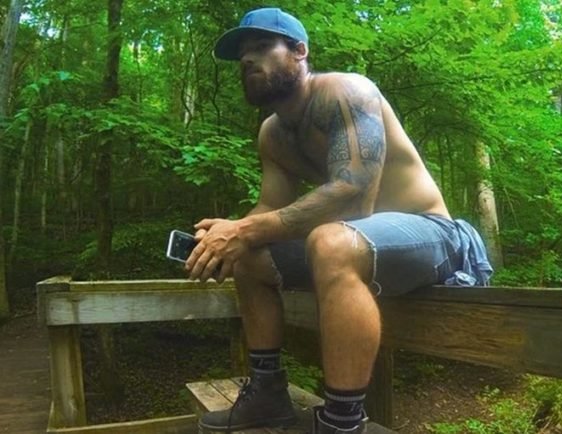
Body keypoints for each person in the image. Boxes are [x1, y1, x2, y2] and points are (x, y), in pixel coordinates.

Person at [186, 7, 491, 434]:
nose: (248, 59)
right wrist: (226, 236)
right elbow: (270, 206)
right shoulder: (272, 134)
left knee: (330, 241)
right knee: (248, 257)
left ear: (300, 51)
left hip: (430, 232)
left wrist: (244, 230)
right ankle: (268, 393)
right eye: (242, 54)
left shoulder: (346, 92)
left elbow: (354, 194)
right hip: (356, 242)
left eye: (262, 46)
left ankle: (342, 422)